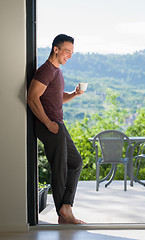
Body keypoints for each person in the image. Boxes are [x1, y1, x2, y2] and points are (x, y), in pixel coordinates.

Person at [27, 34, 86, 224]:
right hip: (50, 125)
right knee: (59, 168)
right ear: (56, 49)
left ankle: (65, 207)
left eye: (72, 52)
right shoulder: (45, 70)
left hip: (57, 124)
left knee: (76, 162)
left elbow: (57, 97)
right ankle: (65, 214)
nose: (69, 55)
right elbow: (32, 98)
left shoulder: (56, 71)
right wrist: (47, 123)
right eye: (67, 51)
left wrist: (74, 94)